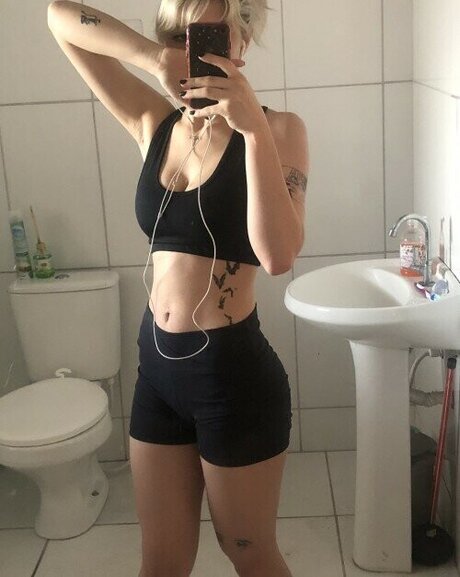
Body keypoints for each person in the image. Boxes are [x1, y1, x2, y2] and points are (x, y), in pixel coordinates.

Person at [48, 1, 308, 575]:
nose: (191, 47)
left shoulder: (280, 129)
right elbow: (58, 17)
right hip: (157, 371)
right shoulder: (154, 122)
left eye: (208, 33)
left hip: (231, 377)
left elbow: (278, 255)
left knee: (250, 554)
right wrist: (151, 57)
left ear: (241, 41)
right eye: (178, 34)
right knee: (161, 562)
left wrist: (252, 130)